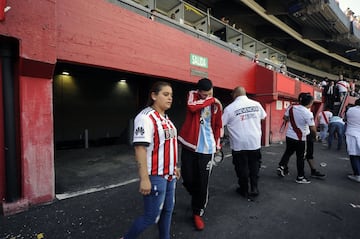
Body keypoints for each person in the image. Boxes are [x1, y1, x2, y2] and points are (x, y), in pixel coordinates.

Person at [120, 82, 179, 239]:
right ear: (154, 96)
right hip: (155, 176)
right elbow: (140, 149)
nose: (170, 98)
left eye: (171, 95)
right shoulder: (145, 118)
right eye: (165, 95)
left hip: (170, 175)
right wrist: (144, 178)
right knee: (151, 217)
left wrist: (175, 166)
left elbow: (168, 145)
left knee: (167, 211)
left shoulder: (165, 118)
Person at [178, 78, 223, 231]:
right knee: (187, 177)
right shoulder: (192, 95)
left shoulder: (217, 104)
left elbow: (218, 126)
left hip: (208, 148)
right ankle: (196, 196)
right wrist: (209, 99)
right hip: (190, 146)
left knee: (203, 182)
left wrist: (217, 145)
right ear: (198, 92)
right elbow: (192, 107)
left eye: (209, 93)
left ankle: (197, 212)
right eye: (203, 94)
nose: (206, 96)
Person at [222, 86, 266, 198]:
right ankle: (254, 188)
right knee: (255, 165)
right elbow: (263, 117)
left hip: (239, 143)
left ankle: (244, 189)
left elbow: (221, 124)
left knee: (241, 167)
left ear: (235, 94)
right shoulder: (257, 104)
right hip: (254, 141)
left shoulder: (229, 108)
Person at [277, 93, 316, 184]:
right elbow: (312, 128)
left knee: (288, 152)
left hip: (289, 135)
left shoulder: (291, 107)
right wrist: (315, 136)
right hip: (300, 138)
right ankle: (300, 177)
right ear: (310, 103)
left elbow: (285, 118)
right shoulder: (308, 113)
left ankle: (281, 165)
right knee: (300, 157)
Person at [345, 99, 360, 182]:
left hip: (351, 133)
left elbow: (347, 119)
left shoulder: (350, 110)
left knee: (353, 154)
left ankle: (357, 174)